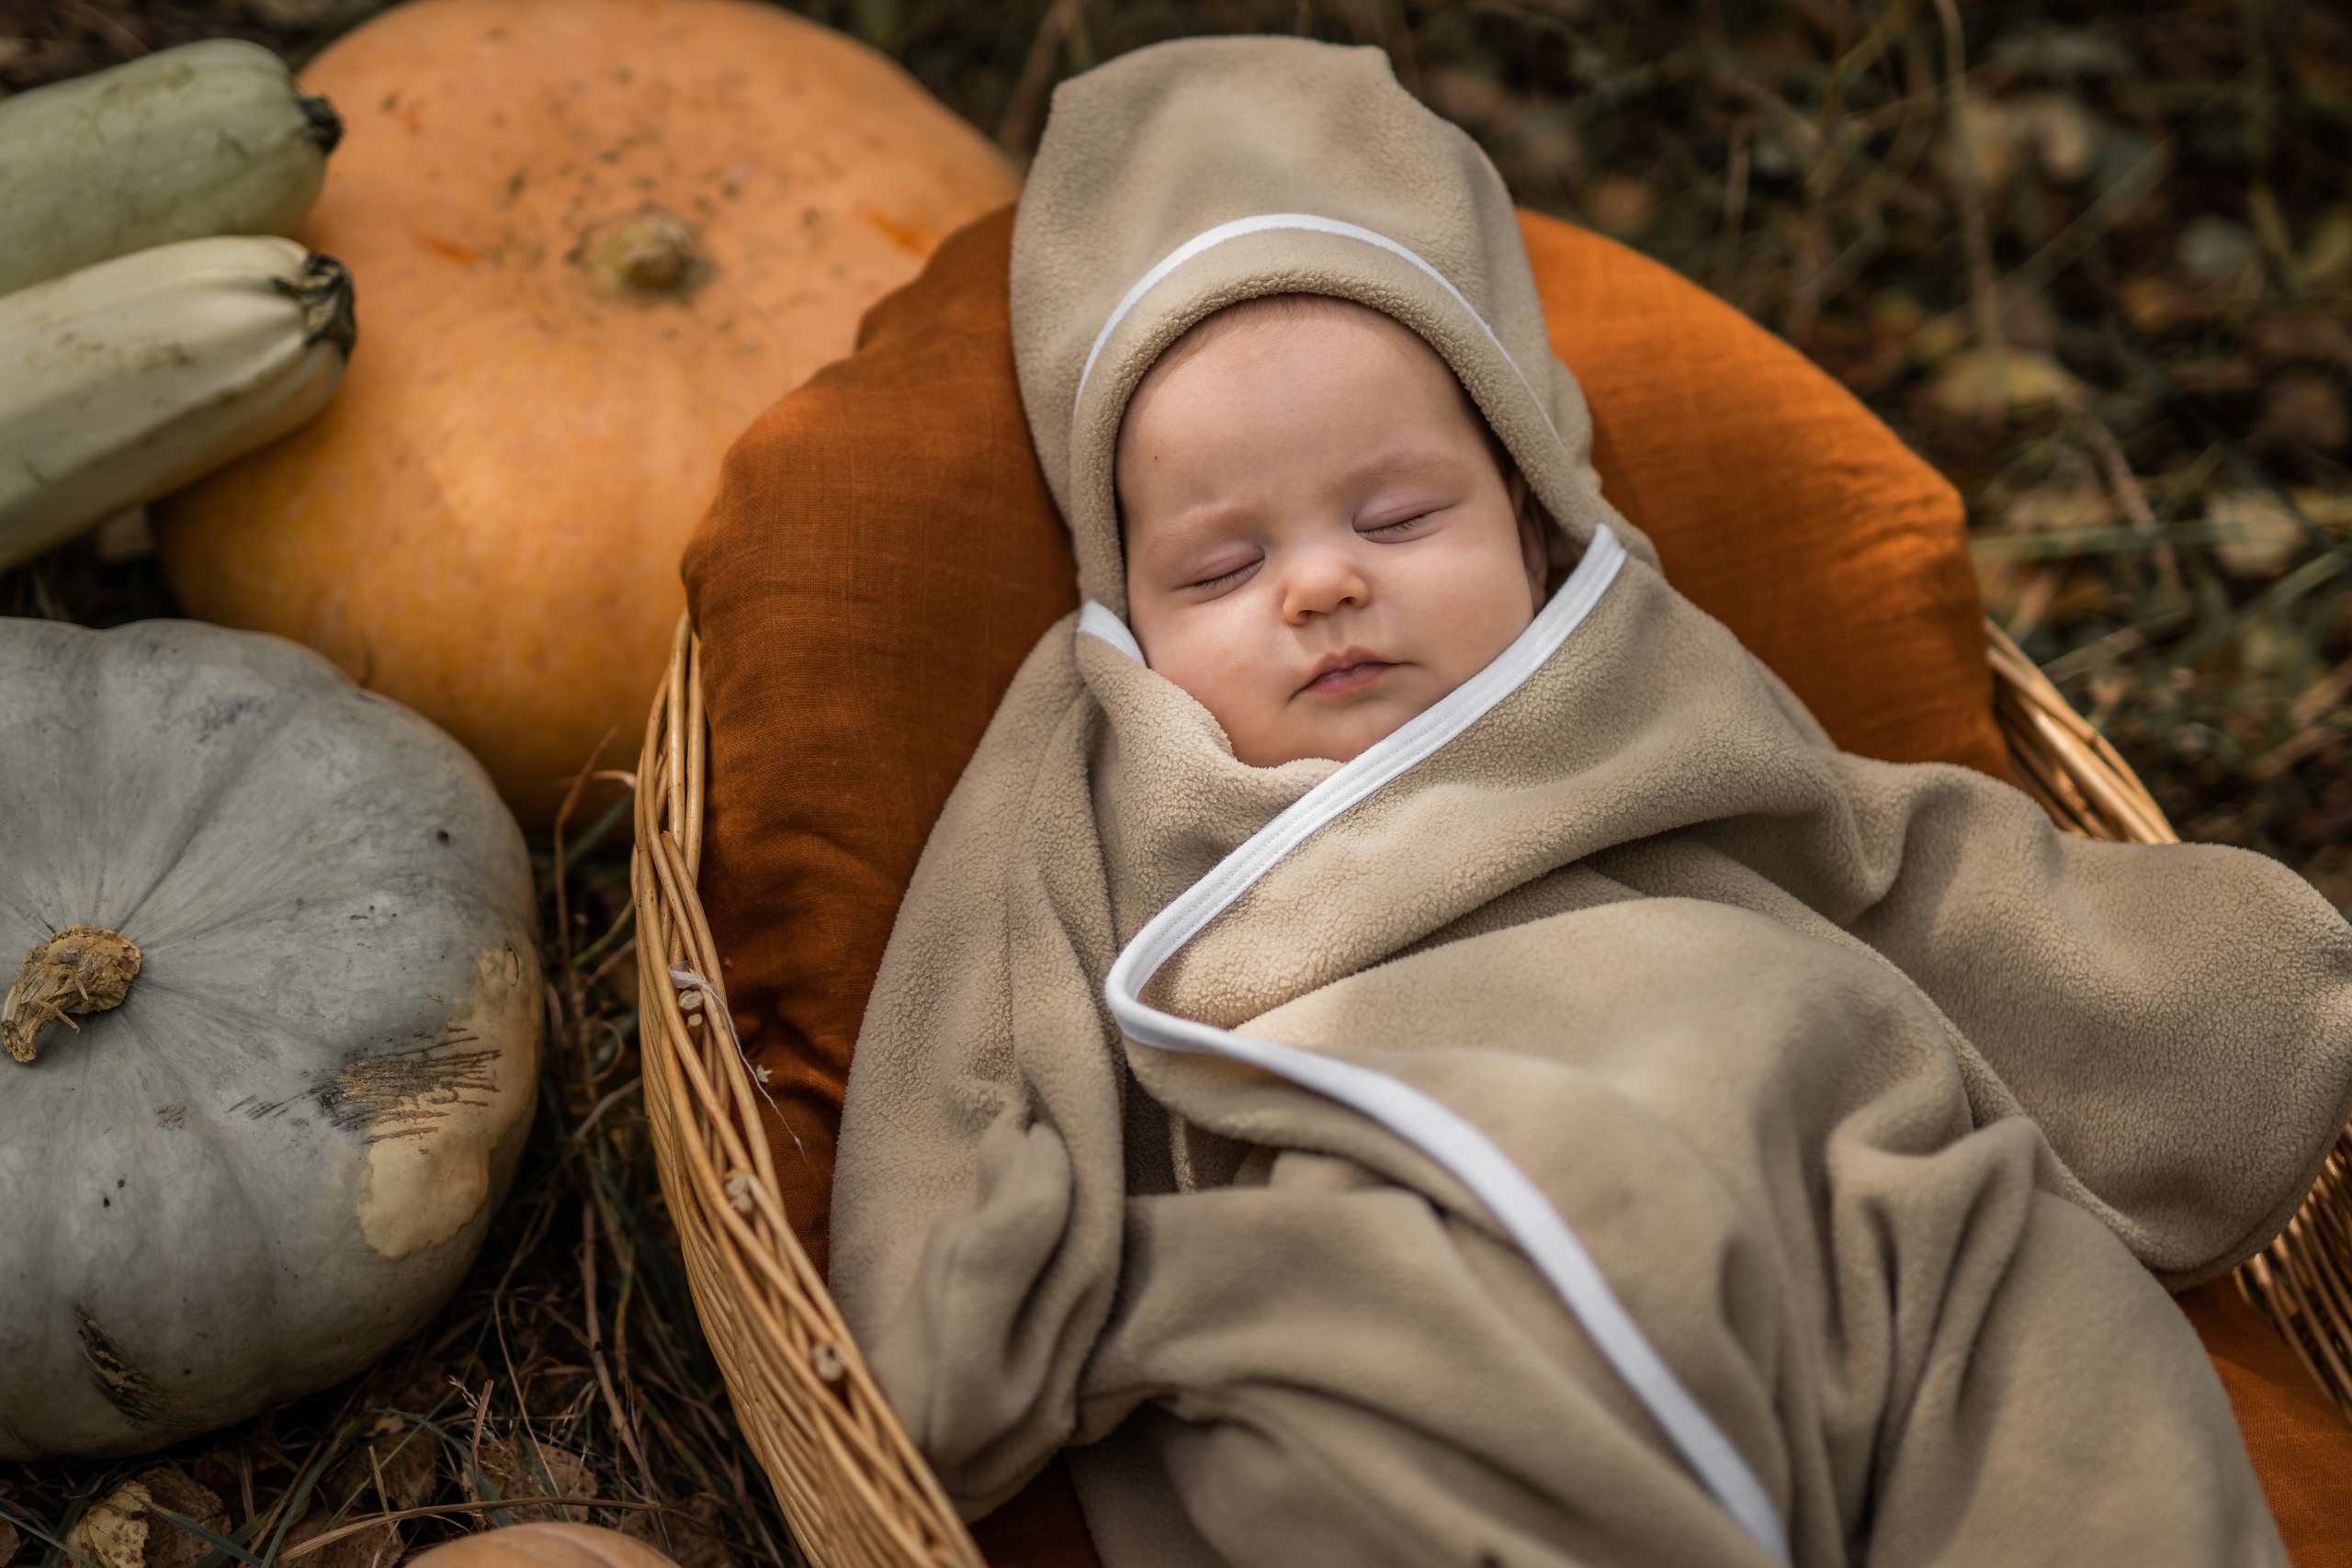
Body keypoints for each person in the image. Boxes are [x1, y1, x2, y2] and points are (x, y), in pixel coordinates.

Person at [829, 35, 2352, 1567]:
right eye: (1221, 566)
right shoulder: (1105, 772)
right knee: (1341, 1444)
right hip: (1417, 1258)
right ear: (1123, 614)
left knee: (2076, 1386)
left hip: (1863, 1186)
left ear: (1535, 519)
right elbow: (975, 1018)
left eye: (1402, 514)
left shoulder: (1636, 666)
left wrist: (2207, 992)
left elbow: (1871, 857)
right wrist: (966, 1291)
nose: (1325, 581)